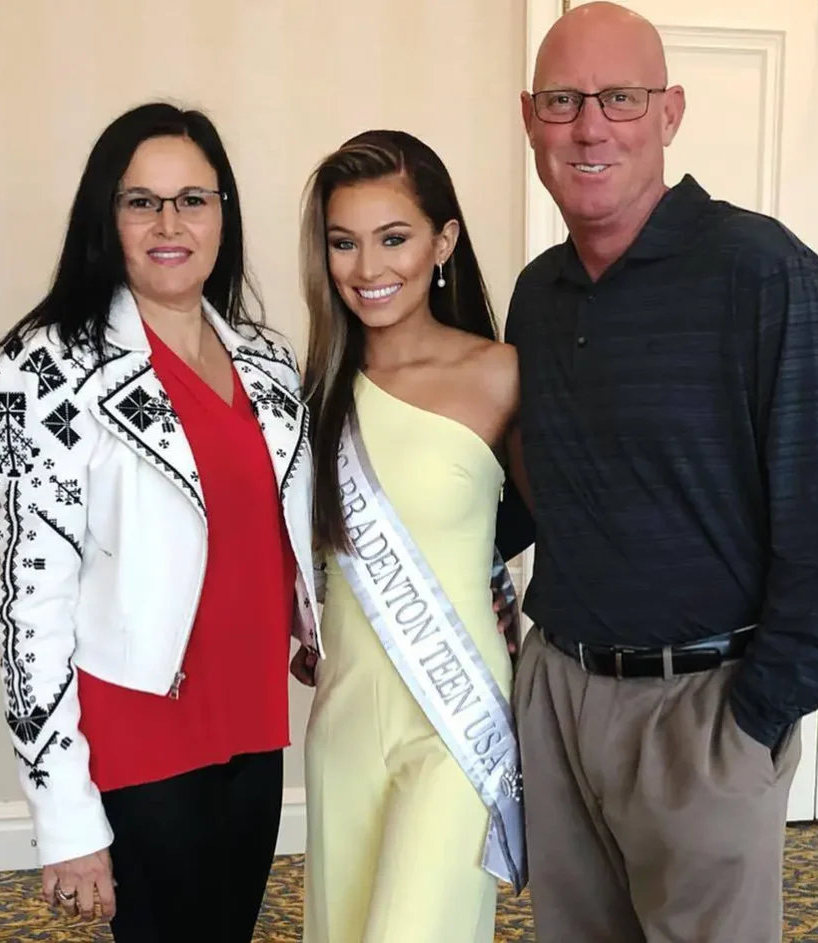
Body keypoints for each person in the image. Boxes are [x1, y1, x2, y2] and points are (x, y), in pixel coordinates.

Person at [496, 3, 818, 942]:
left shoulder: (765, 273)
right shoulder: (537, 295)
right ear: (529, 117)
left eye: (620, 99)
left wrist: (757, 719)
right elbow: (523, 496)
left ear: (669, 113)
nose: (590, 126)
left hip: (706, 710)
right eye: (563, 100)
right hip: (559, 694)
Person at [0, 102, 320, 941]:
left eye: (193, 199)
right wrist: (66, 819)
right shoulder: (48, 362)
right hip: (138, 726)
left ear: (223, 215)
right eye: (141, 201)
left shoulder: (267, 359)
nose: (169, 223)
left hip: (252, 717)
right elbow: (28, 602)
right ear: (108, 217)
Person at [291, 130, 528, 943]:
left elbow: (560, 527)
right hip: (346, 716)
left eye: (393, 238)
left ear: (444, 241)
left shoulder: (501, 373)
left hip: (453, 715)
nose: (368, 268)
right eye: (344, 243)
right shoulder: (313, 394)